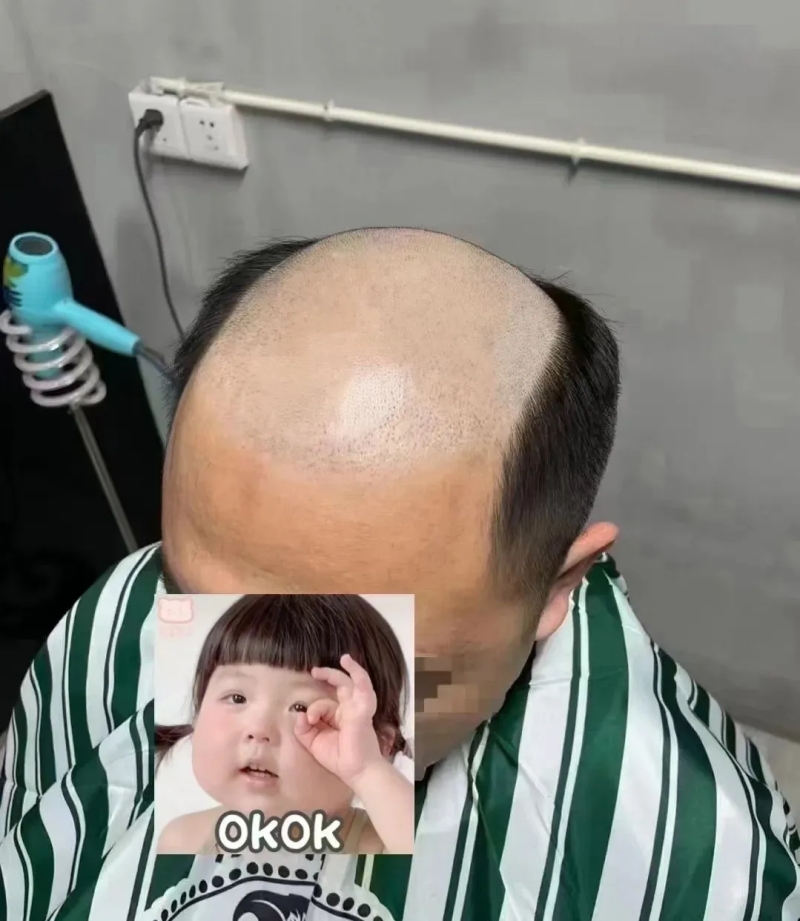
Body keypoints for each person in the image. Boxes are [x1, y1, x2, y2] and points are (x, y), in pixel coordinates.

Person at [0, 227, 798, 921]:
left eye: (360, 663)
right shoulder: (119, 613)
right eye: (195, 599)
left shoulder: (697, 860)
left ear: (558, 586)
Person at [155, 594, 414, 856]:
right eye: (237, 698)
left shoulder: (380, 846)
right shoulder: (184, 841)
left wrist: (366, 770)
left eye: (301, 708)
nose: (259, 730)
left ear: (378, 744)